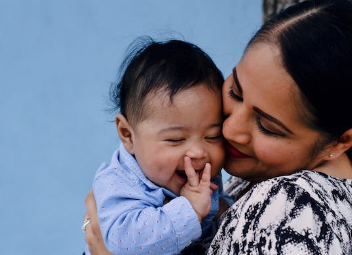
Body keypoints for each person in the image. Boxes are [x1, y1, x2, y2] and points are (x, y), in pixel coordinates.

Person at [84, 0, 352, 254]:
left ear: (338, 142)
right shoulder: (253, 171)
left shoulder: (295, 208)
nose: (228, 131)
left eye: (267, 126)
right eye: (235, 92)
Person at [82, 38, 233, 255]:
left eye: (212, 136)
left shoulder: (196, 172)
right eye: (176, 139)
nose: (199, 152)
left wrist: (223, 210)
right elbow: (124, 243)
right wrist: (189, 209)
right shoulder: (118, 182)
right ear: (128, 135)